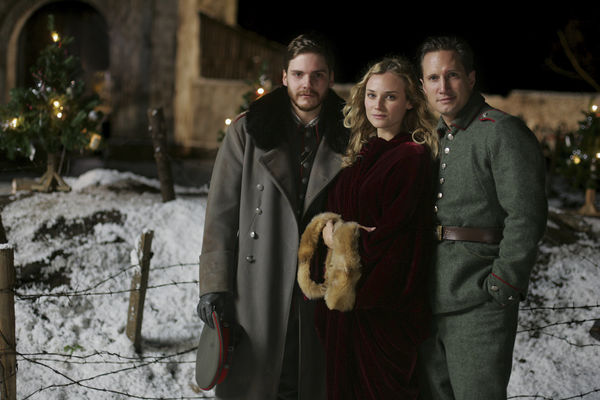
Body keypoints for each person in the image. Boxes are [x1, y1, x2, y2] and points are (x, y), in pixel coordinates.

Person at [196, 32, 349, 400]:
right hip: (258, 280)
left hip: (322, 280)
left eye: (317, 75)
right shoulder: (248, 130)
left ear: (330, 78)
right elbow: (221, 214)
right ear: (284, 77)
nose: (307, 84)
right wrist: (214, 285)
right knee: (259, 379)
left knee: (310, 379)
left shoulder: (350, 134)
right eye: (298, 74)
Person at [416, 36, 548, 400]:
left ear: (471, 78)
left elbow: (527, 215)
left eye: (452, 75)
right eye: (433, 78)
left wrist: (502, 284)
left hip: (479, 302)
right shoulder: (434, 137)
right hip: (431, 298)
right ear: (422, 85)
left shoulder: (501, 131)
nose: (443, 87)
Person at [302, 57, 438, 400]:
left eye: (390, 97)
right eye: (372, 95)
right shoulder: (360, 154)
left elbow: (398, 237)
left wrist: (340, 237)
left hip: (380, 308)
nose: (378, 105)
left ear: (410, 102)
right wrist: (331, 230)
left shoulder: (412, 157)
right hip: (344, 307)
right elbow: (337, 213)